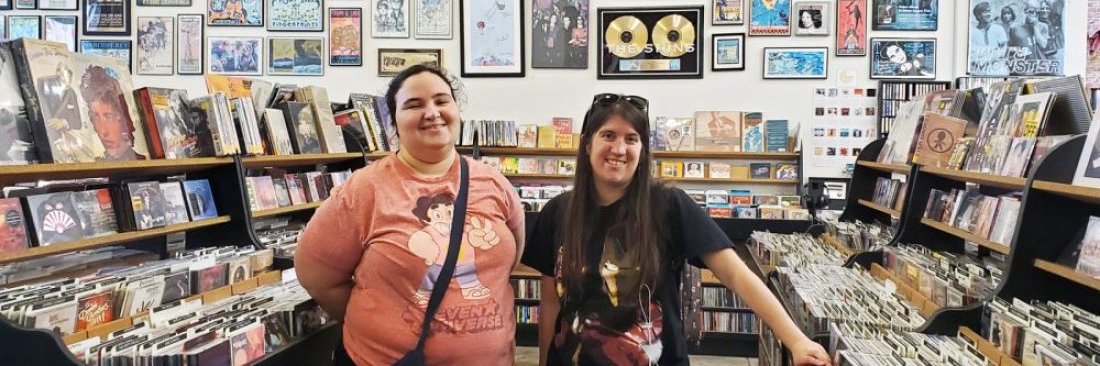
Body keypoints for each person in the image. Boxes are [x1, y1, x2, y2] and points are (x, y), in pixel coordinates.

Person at [523, 94, 831, 366]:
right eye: (608, 135)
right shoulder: (558, 212)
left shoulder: (669, 205)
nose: (619, 148)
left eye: (631, 139)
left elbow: (736, 274)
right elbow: (551, 302)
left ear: (643, 150)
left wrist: (796, 340)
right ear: (588, 143)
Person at [295, 65, 525, 365]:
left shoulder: (494, 183)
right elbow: (317, 278)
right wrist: (378, 324)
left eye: (441, 101)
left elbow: (509, 262)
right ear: (394, 121)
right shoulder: (364, 190)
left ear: (457, 110)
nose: (432, 113)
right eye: (414, 104)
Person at [79, 66, 147, 161]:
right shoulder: (96, 161)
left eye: (108, 117)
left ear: (124, 118)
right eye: (95, 117)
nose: (103, 132)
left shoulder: (141, 160)